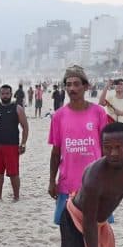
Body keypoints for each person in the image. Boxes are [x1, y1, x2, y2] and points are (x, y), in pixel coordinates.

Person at [48, 65, 110, 225]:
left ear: (86, 86)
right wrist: (51, 181)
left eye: (76, 84)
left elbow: (106, 148)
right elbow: (56, 152)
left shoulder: (98, 112)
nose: (72, 88)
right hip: (67, 185)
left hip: (95, 184)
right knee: (69, 235)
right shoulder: (59, 116)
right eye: (68, 84)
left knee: (97, 237)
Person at [0, 84, 30, 201]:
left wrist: (23, 144)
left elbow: (25, 126)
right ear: (0, 94)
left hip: (12, 145)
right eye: (3, 94)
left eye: (7, 93)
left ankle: (16, 196)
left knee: (13, 173)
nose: (5, 96)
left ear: (11, 94)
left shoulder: (17, 108)